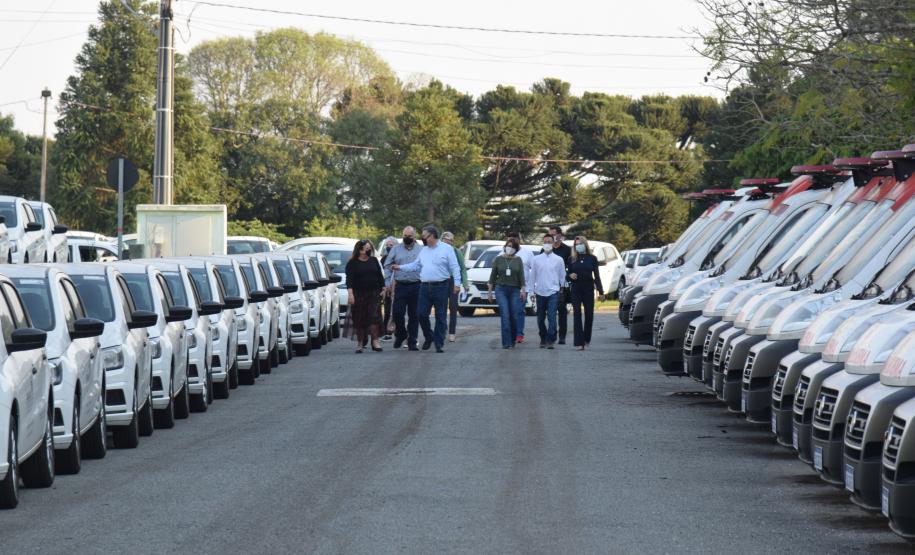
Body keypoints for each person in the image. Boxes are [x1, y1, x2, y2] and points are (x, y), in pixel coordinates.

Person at [391, 226, 462, 353]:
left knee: (440, 315)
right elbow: (416, 265)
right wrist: (400, 267)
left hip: (441, 286)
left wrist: (457, 284)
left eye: (425, 236)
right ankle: (429, 336)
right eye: (422, 236)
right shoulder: (423, 251)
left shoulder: (447, 249)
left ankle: (439, 343)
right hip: (424, 286)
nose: (422, 238)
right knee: (421, 314)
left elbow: (455, 267)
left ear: (433, 236)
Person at [384, 227, 422, 350]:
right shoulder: (395, 249)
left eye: (409, 236)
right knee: (397, 313)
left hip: (416, 285)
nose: (407, 238)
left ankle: (412, 341)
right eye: (405, 235)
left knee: (414, 315)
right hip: (400, 285)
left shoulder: (421, 250)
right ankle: (401, 334)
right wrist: (387, 283)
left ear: (414, 237)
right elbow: (388, 265)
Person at [344, 239, 386, 353]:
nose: (369, 250)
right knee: (360, 319)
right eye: (366, 248)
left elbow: (379, 276)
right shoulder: (352, 263)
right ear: (360, 250)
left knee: (374, 317)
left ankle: (375, 340)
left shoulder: (373, 260)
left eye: (370, 248)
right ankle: (360, 343)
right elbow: (349, 280)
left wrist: (383, 288)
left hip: (374, 293)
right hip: (358, 294)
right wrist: (350, 294)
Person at [487, 237, 527, 349]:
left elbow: (521, 277)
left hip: (514, 290)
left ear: (516, 249)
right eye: (508, 246)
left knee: (514, 315)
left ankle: (513, 338)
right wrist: (490, 292)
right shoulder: (498, 259)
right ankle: (506, 342)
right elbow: (492, 277)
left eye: (513, 247)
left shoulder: (518, 260)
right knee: (505, 315)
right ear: (505, 247)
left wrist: (523, 291)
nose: (510, 248)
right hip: (501, 289)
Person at [530, 233, 567, 349]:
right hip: (540, 292)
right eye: (545, 241)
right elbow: (532, 277)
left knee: (552, 316)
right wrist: (531, 291)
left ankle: (551, 339)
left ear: (553, 243)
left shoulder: (559, 259)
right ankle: (543, 336)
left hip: (553, 292)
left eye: (549, 242)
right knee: (540, 318)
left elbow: (562, 277)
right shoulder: (536, 259)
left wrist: (562, 290)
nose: (547, 244)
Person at [567, 236, 604, 350]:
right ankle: (579, 342)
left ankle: (586, 339)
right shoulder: (571, 259)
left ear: (585, 244)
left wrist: (601, 291)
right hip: (576, 289)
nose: (578, 246)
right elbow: (567, 274)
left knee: (589, 315)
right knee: (577, 314)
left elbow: (597, 276)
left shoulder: (592, 258)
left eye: (580, 244)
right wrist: (570, 276)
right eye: (576, 244)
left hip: (588, 288)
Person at [544, 225, 572, 344]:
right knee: (550, 312)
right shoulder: (546, 249)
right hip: (548, 285)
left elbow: (571, 267)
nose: (552, 237)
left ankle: (562, 336)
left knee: (562, 311)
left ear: (560, 235)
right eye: (550, 235)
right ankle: (551, 334)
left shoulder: (567, 250)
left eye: (554, 234)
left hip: (562, 285)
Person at [441, 231, 469, 342]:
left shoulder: (456, 252)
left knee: (453, 306)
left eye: (450, 241)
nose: (448, 243)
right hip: (442, 280)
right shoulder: (438, 251)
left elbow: (462, 268)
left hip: (453, 280)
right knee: (441, 307)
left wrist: (465, 283)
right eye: (446, 240)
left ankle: (452, 332)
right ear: (442, 240)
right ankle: (442, 330)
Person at [506, 232, 532, 344]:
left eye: (515, 239)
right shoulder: (502, 252)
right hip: (506, 287)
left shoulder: (527, 253)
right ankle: (510, 333)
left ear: (519, 240)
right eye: (510, 239)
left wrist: (530, 289)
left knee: (518, 311)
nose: (513, 241)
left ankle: (519, 334)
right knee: (509, 312)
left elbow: (534, 269)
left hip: (522, 287)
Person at [380, 236, 397, 341]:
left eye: (391, 245)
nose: (389, 247)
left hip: (397, 286)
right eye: (387, 245)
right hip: (387, 287)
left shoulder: (398, 257)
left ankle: (397, 331)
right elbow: (382, 273)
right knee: (387, 310)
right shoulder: (384, 259)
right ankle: (386, 332)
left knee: (397, 310)